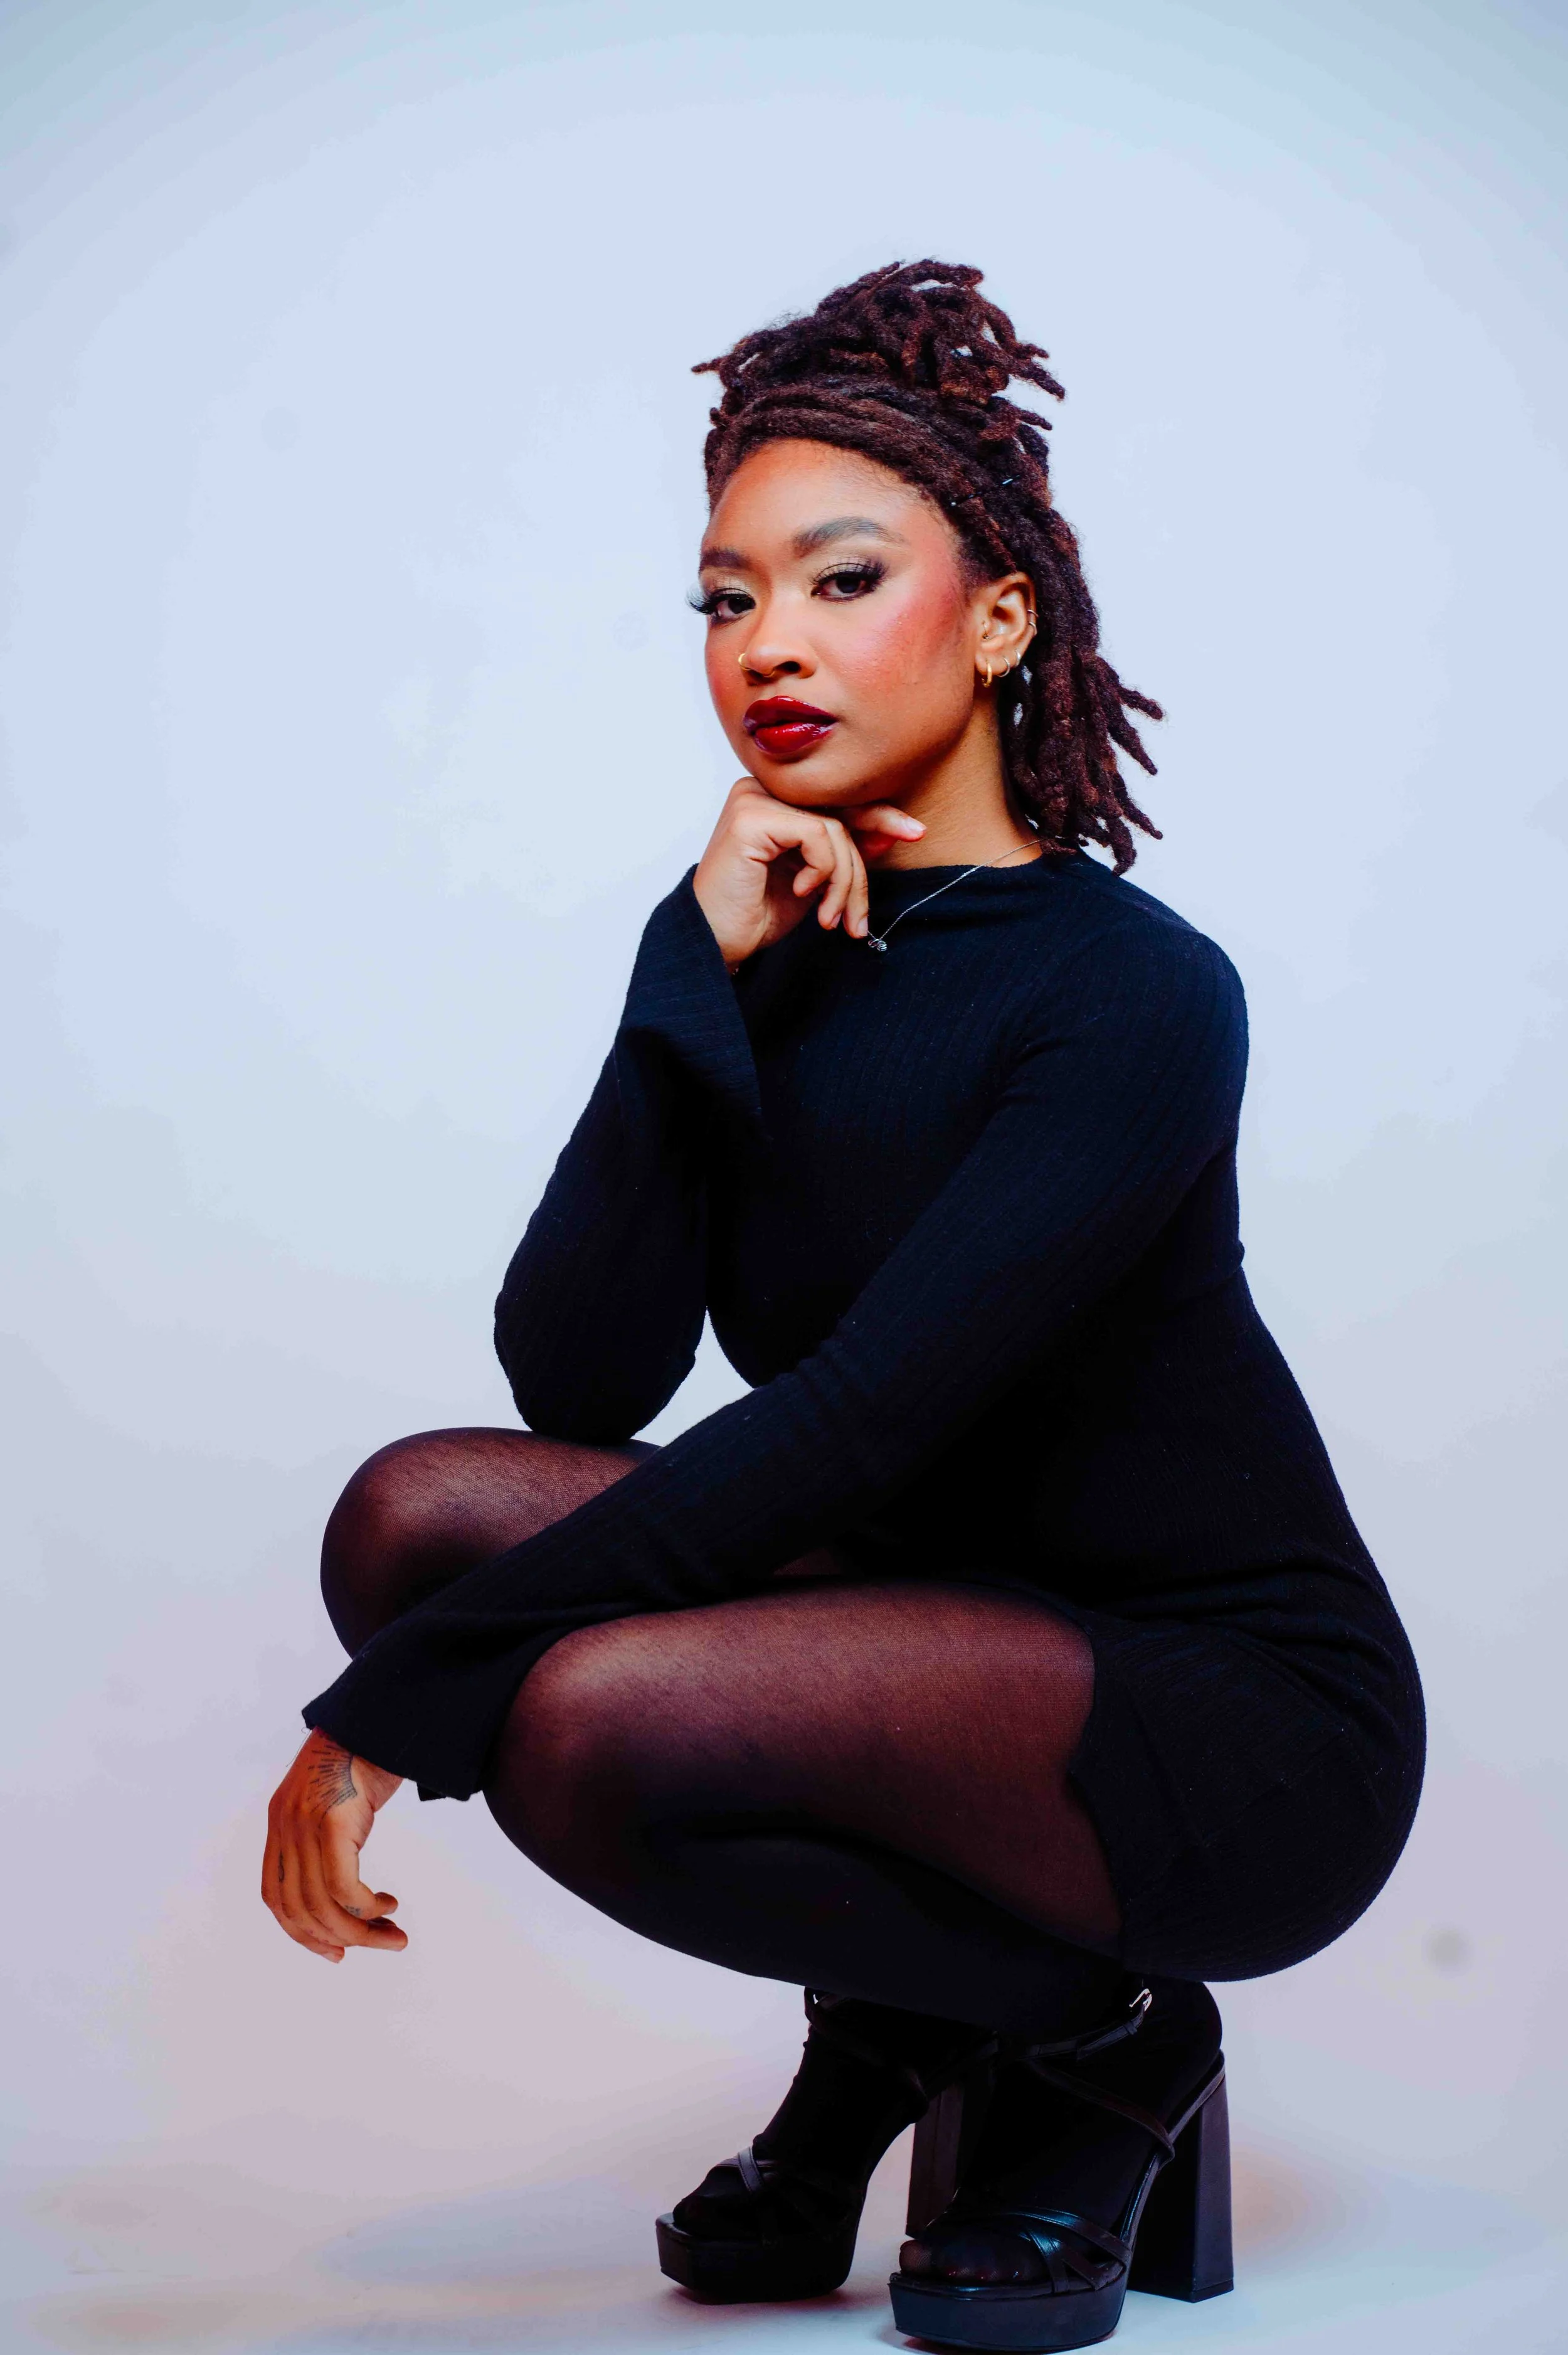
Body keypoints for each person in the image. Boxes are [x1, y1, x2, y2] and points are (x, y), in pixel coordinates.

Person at [260, 260, 1424, 2352]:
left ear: (997, 623)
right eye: (723, 600)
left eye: (837, 578)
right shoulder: (769, 944)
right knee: (417, 1517)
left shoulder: (1131, 992)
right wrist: (686, 972)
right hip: (926, 1609)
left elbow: (862, 1415)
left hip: (1214, 1712)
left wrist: (391, 1712)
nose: (767, 647)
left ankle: (1101, 2037)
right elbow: (583, 1375)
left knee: (588, 1718)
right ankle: (915, 2034)